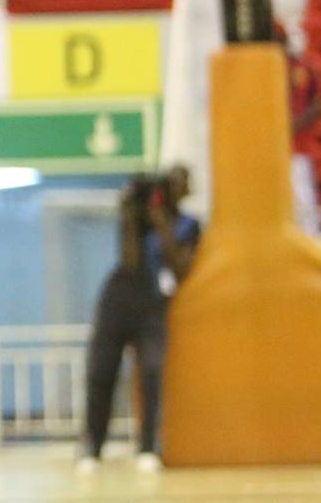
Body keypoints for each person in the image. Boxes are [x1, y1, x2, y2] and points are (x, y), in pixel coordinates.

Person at [76, 166, 198, 476]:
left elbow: (181, 268)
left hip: (152, 305)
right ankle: (93, 446)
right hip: (118, 299)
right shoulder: (137, 218)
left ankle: (147, 447)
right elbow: (129, 259)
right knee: (101, 373)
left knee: (151, 374)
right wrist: (134, 215)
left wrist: (161, 223)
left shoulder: (188, 225)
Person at [286, 36, 321, 232]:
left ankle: (313, 239)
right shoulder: (265, 68)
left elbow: (318, 105)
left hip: (298, 147)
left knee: (303, 195)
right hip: (273, 147)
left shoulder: (303, 67)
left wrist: (295, 123)